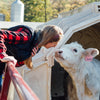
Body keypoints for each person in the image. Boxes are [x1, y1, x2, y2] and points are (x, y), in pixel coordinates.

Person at [0, 25, 64, 91]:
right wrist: (3, 55)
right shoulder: (28, 35)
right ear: (48, 39)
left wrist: (28, 57)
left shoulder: (36, 47)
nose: (55, 46)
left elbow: (17, 63)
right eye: (55, 43)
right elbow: (1, 34)